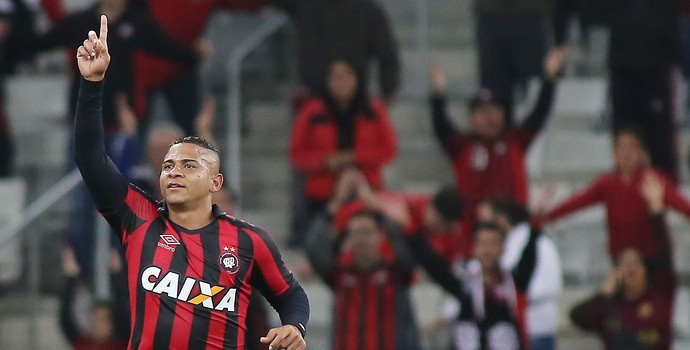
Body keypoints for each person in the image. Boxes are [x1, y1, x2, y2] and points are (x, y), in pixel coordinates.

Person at [74, 16, 308, 349]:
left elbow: (291, 295)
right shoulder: (138, 217)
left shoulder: (249, 241)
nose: (174, 171)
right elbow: (90, 159)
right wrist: (92, 84)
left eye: (188, 165)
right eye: (168, 165)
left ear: (216, 183)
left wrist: (295, 326)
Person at [429, 57, 561, 253]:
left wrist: (549, 79)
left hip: (514, 234)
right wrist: (438, 96)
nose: (489, 118)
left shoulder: (514, 141)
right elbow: (442, 127)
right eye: (482, 112)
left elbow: (538, 115)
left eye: (494, 111)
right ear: (471, 118)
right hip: (474, 241)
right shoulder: (463, 146)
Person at [549, 0, 680, 181]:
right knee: (624, 130)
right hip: (623, 60)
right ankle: (624, 185)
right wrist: (559, 37)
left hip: (655, 62)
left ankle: (664, 185)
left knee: (658, 135)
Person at [305, 172, 421, 350]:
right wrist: (337, 202)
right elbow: (313, 247)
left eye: (367, 232)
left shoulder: (396, 273)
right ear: (348, 240)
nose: (362, 239)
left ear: (380, 237)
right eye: (356, 233)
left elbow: (412, 246)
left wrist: (375, 206)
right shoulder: (340, 274)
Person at [288, 59, 398, 246]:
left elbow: (388, 149)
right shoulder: (312, 111)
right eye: (336, 77)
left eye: (347, 75)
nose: (342, 82)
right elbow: (296, 154)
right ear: (327, 81)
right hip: (322, 194)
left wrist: (355, 157)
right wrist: (325, 162)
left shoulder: (373, 109)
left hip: (367, 190)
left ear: (356, 79)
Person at [541, 128, 690, 262]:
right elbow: (576, 203)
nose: (627, 154)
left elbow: (682, 205)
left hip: (652, 259)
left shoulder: (653, 180)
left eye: (632, 148)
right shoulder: (607, 184)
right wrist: (543, 218)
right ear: (614, 152)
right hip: (621, 259)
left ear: (641, 152)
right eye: (622, 148)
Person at [569, 172, 675, 350]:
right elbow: (577, 318)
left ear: (646, 270)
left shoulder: (660, 294)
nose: (631, 269)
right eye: (625, 264)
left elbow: (664, 255)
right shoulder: (611, 306)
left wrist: (656, 211)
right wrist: (604, 294)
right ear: (616, 271)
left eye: (636, 263)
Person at [402, 219, 538, 350]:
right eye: (482, 244)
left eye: (492, 244)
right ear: (474, 248)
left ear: (502, 248)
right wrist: (411, 230)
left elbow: (528, 260)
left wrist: (535, 228)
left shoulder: (512, 284)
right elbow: (435, 267)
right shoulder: (465, 286)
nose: (487, 251)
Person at [133, 0, 264, 136]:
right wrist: (190, 52)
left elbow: (246, 5)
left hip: (183, 68)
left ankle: (192, 156)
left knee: (190, 130)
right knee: (137, 128)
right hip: (146, 68)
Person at [271, 0, 400, 104]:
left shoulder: (369, 11)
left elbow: (387, 55)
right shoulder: (305, 5)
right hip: (313, 99)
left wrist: (386, 95)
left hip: (356, 105)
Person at [480, 198, 563, 350]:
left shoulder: (534, 243)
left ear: (501, 219)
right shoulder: (513, 243)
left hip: (534, 327)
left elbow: (550, 285)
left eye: (487, 221)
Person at [473, 0, 553, 127]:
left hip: (530, 15)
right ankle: (500, 142)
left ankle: (529, 139)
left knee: (533, 89)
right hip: (491, 14)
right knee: (495, 92)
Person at [59, 247, 129, 350]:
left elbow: (124, 314)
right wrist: (71, 278)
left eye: (103, 319)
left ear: (112, 323)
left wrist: (117, 276)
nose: (98, 324)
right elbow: (66, 319)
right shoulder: (82, 343)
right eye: (95, 319)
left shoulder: (122, 343)